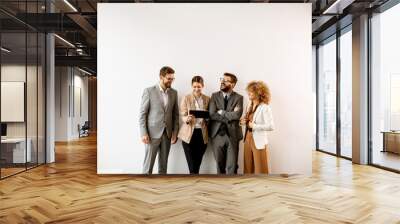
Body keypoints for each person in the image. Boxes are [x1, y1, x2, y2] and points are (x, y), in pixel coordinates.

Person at [139, 66, 179, 174]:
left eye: (172, 79)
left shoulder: (174, 93)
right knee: (148, 167)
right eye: (169, 78)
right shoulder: (149, 91)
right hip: (152, 134)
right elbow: (142, 114)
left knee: (163, 166)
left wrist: (175, 133)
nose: (171, 81)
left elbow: (175, 115)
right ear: (161, 77)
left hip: (167, 134)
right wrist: (143, 133)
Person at [209, 73, 243, 174]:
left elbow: (237, 115)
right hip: (217, 135)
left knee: (232, 167)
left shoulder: (239, 98)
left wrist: (222, 112)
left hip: (233, 135)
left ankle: (231, 188)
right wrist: (229, 116)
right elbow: (212, 114)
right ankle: (220, 188)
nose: (222, 82)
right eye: (222, 79)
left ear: (232, 84)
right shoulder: (214, 96)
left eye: (226, 80)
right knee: (219, 165)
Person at [178, 76, 210, 174]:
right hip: (188, 134)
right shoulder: (186, 98)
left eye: (199, 87)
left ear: (203, 86)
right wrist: (186, 119)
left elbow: (210, 116)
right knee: (191, 164)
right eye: (194, 86)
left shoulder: (207, 99)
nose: (196, 89)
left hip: (202, 134)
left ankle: (194, 182)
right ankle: (194, 182)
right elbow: (182, 115)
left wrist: (207, 117)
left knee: (197, 162)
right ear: (192, 86)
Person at [240, 81, 274, 174]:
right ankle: (248, 186)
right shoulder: (249, 105)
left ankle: (262, 186)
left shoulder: (265, 107)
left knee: (260, 168)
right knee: (248, 166)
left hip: (258, 140)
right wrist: (243, 121)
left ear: (259, 93)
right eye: (248, 91)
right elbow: (247, 120)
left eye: (251, 91)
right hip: (247, 138)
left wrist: (254, 126)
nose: (248, 93)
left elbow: (271, 126)